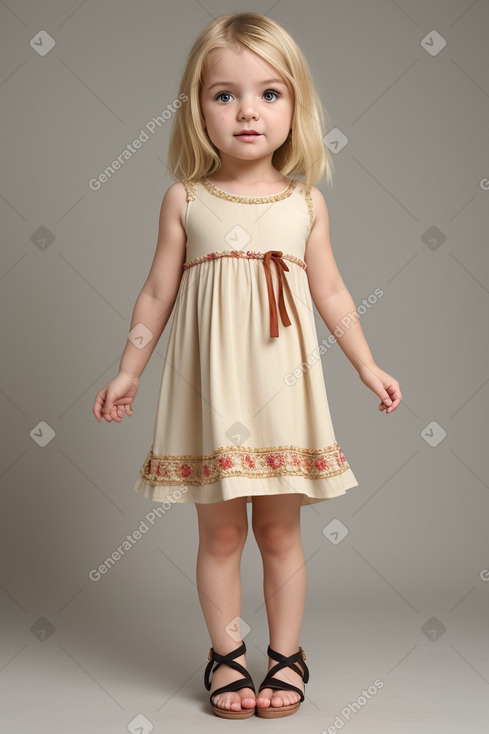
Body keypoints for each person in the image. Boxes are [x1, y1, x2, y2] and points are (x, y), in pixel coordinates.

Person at [92, 12, 402, 720]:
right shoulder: (186, 199)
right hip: (210, 396)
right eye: (223, 95)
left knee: (278, 531)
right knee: (221, 532)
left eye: (268, 93)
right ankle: (225, 655)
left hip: (280, 394)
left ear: (295, 106)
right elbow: (157, 292)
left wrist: (366, 363)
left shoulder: (303, 202)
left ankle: (286, 656)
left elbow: (330, 292)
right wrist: (128, 370)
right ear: (196, 108)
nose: (246, 112)